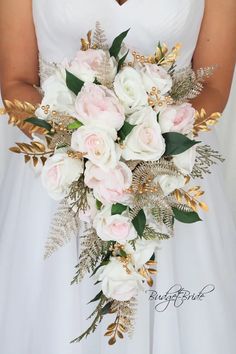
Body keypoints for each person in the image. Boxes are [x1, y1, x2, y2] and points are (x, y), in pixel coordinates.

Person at [0, 0, 235, 353]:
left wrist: (144, 144)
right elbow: (16, 82)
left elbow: (214, 86)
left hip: (170, 179)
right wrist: (86, 146)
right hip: (56, 176)